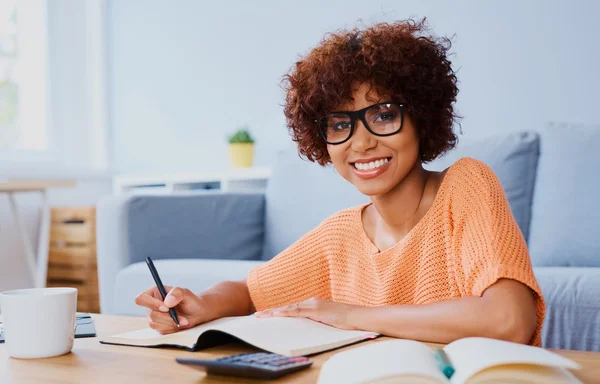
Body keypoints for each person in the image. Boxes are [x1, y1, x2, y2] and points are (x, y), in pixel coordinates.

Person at [135, 19, 545, 346]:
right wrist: (200, 304)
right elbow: (249, 290)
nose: (362, 142)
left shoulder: (466, 186)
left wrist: (347, 315)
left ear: (422, 117)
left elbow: (509, 319)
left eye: (384, 114)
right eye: (340, 124)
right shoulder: (339, 235)